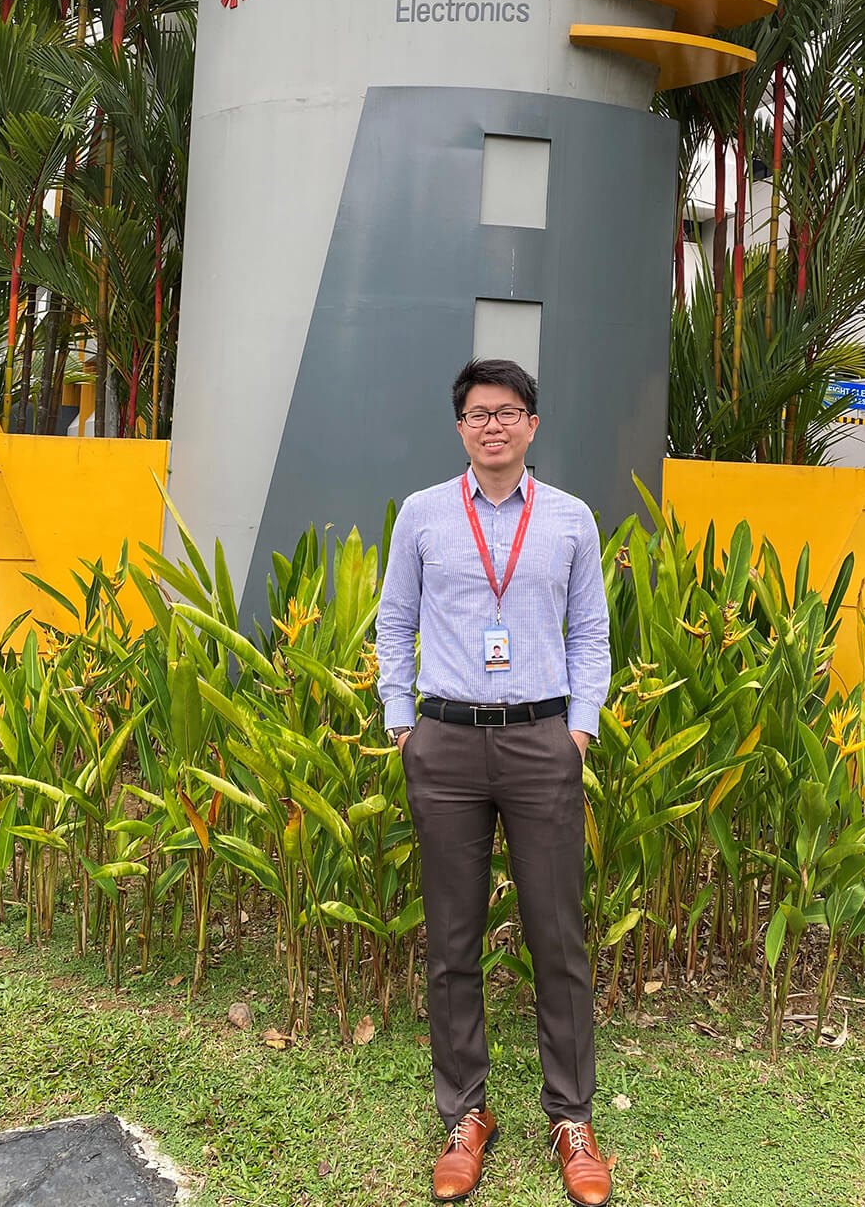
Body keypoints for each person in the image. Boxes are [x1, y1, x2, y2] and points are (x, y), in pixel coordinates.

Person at [376, 357, 613, 1206]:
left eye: (508, 412)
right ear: (460, 427)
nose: (493, 426)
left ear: (533, 426)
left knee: (557, 938)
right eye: (478, 413)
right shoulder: (424, 515)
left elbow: (591, 631)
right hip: (445, 742)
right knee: (452, 943)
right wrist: (403, 724)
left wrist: (578, 730)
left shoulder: (571, 520)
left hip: (541, 740)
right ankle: (466, 1114)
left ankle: (571, 1117)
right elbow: (394, 619)